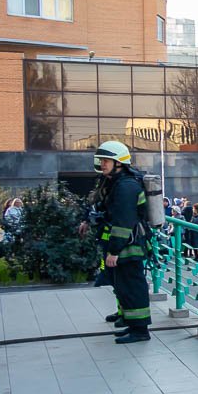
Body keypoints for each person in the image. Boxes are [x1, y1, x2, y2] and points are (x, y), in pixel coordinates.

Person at [82, 141, 153, 344]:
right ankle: (132, 324)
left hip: (128, 246)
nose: (102, 164)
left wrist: (114, 251)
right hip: (122, 245)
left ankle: (140, 330)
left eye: (107, 160)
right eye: (102, 160)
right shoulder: (115, 182)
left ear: (119, 163)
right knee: (123, 285)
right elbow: (102, 206)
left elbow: (123, 222)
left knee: (133, 286)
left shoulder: (126, 186)